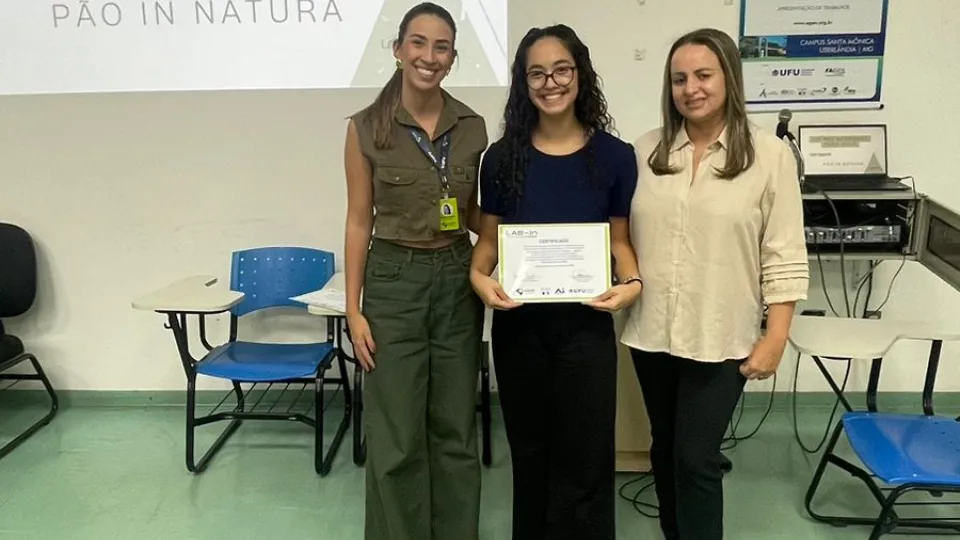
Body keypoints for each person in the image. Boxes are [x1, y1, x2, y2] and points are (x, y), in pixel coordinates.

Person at [621, 28, 809, 540]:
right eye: (680, 78)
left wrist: (776, 337)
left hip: (722, 333)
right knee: (664, 449)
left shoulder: (769, 157)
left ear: (729, 77)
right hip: (653, 331)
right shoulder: (644, 152)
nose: (691, 88)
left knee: (696, 458)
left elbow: (785, 253)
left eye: (703, 75)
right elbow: (619, 235)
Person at [470, 24, 643, 540]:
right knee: (530, 452)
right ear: (524, 84)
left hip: (587, 331)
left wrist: (633, 281)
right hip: (520, 331)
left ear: (580, 74)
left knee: (587, 455)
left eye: (561, 69)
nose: (550, 82)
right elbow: (487, 245)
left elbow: (620, 241)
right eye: (537, 73)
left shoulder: (615, 156)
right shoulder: (502, 158)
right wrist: (478, 279)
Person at [341, 3, 488, 539]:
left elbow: (475, 215)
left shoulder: (472, 128)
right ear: (398, 49)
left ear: (452, 57)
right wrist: (354, 311)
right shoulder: (365, 130)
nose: (429, 56)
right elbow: (359, 223)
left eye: (441, 46)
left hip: (455, 279)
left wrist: (518, 240)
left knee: (454, 429)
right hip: (393, 284)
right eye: (418, 43)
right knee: (398, 435)